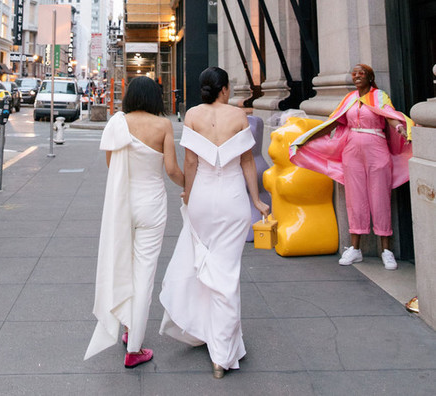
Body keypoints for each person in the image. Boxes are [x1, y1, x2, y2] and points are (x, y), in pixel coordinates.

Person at [160, 67, 270, 379]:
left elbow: (191, 162)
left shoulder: (193, 115)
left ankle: (206, 330)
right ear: (223, 89)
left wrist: (188, 194)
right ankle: (221, 353)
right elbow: (247, 161)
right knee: (227, 274)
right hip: (233, 200)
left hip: (202, 200)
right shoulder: (238, 116)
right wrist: (257, 200)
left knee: (205, 266)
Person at [85, 76, 184, 368]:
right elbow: (172, 170)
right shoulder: (163, 125)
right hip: (152, 205)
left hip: (123, 204)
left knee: (123, 265)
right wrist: (190, 185)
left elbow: (111, 164)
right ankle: (134, 346)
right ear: (155, 97)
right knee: (144, 273)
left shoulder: (118, 123)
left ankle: (128, 328)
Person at [290, 63, 411, 270]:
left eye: (361, 73)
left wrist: (401, 127)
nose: (357, 76)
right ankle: (355, 249)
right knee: (355, 198)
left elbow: (390, 116)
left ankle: (386, 250)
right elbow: (333, 122)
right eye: (354, 74)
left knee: (380, 197)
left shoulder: (379, 96)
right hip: (352, 152)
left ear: (370, 77)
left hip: (377, 149)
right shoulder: (349, 99)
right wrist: (306, 139)